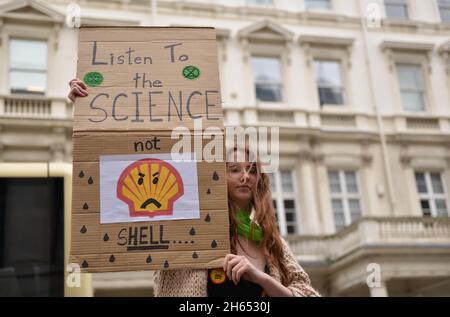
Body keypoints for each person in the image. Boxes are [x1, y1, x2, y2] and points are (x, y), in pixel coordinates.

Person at [68, 79, 320, 297]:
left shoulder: (270, 241)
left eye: (252, 170)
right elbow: (130, 155)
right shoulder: (186, 225)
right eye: (234, 169)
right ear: (215, 178)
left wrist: (261, 278)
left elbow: (307, 292)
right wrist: (89, 106)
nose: (245, 176)